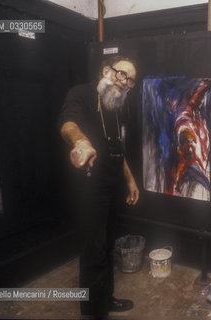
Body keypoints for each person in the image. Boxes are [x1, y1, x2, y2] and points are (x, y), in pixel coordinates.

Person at [58, 55, 140, 316]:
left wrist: (129, 179)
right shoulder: (80, 93)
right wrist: (80, 142)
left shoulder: (115, 106)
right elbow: (67, 123)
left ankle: (106, 299)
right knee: (93, 248)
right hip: (91, 186)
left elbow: (117, 148)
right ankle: (93, 311)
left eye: (131, 82)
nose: (126, 83)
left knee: (107, 244)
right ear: (107, 70)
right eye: (123, 75)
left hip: (113, 183)